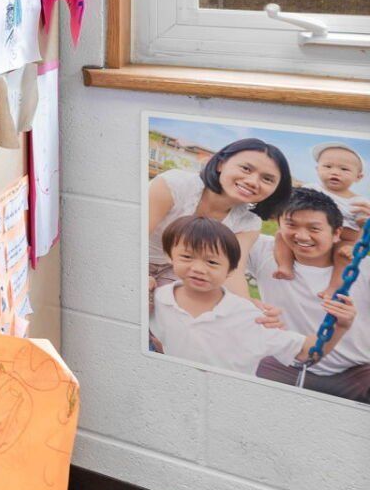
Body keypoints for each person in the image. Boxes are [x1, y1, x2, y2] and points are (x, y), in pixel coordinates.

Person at [149, 216, 350, 375]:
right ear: (169, 256)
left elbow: (306, 351)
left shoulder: (248, 315)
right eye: (187, 257)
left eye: (212, 262)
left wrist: (339, 325)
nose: (199, 268)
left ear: (231, 269)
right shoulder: (157, 298)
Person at [249, 188, 370, 401]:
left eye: (314, 228)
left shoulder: (362, 267)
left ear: (336, 234)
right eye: (291, 225)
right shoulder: (264, 252)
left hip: (356, 371)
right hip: (284, 364)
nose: (302, 236)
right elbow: (218, 228)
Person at [146, 138, 292, 295]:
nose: (253, 182)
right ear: (220, 164)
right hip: (138, 258)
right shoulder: (175, 185)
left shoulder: (249, 223)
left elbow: (233, 272)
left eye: (267, 179)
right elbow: (132, 237)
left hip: (180, 273)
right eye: (246, 169)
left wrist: (245, 307)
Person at [271, 142, 366, 289]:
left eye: (344, 169)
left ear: (358, 177)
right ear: (317, 169)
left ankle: (333, 287)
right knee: (280, 236)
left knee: (343, 256)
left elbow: (363, 228)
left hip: (345, 239)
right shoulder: (310, 188)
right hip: (313, 231)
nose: (335, 172)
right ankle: (285, 266)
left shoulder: (358, 201)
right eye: (328, 167)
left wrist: (354, 245)